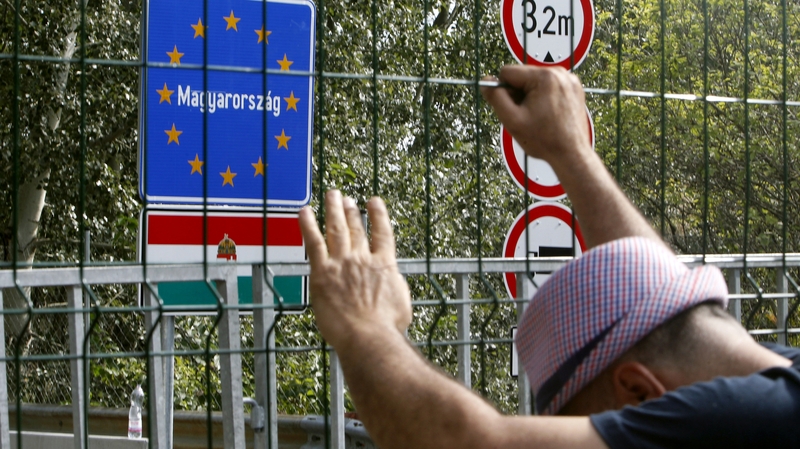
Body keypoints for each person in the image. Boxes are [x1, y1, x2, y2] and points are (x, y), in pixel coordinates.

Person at [297, 65, 800, 448]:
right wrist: (570, 153)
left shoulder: (751, 420)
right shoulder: (781, 379)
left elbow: (469, 443)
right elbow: (656, 288)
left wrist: (363, 327)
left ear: (640, 397)